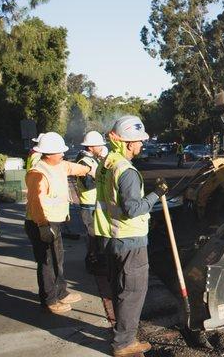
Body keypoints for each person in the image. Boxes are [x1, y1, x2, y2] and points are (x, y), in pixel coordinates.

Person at [94, 115, 168, 357]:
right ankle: (124, 343)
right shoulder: (127, 171)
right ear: (128, 143)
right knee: (133, 293)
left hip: (110, 236)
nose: (141, 145)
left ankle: (121, 334)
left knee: (118, 288)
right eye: (139, 141)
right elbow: (133, 209)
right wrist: (156, 194)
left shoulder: (108, 163)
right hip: (129, 241)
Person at [25, 132, 92, 314]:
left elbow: (72, 168)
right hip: (41, 223)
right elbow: (35, 202)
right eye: (59, 152)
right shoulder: (37, 174)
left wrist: (90, 168)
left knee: (57, 260)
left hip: (54, 222)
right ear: (49, 153)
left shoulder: (59, 165)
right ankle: (50, 300)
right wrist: (43, 225)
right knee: (47, 262)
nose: (63, 154)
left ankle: (61, 292)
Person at [75, 131, 107, 274]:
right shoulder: (84, 162)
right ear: (91, 146)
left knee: (98, 236)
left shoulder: (92, 159)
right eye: (99, 144)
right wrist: (100, 179)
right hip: (89, 206)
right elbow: (87, 184)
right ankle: (92, 265)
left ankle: (97, 262)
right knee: (93, 237)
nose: (101, 147)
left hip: (94, 204)